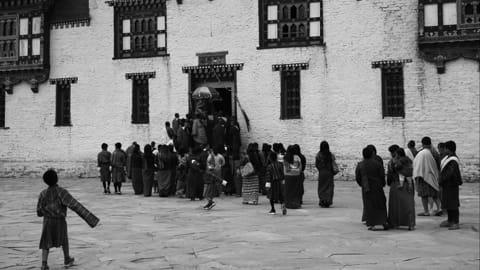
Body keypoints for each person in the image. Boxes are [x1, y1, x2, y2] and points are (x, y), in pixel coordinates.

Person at [37, 169, 99, 270]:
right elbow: (75, 205)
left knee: (45, 240)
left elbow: (39, 212)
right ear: (56, 179)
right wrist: (91, 219)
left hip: (47, 221)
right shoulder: (62, 192)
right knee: (63, 238)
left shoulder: (42, 194)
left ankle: (44, 263)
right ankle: (66, 258)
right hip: (59, 220)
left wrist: (46, 211)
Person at [355, 146, 388, 231]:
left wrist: (362, 185)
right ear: (372, 154)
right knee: (380, 203)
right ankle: (382, 221)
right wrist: (382, 184)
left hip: (366, 187)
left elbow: (358, 177)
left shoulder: (360, 164)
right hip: (377, 186)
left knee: (369, 205)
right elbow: (382, 175)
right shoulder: (377, 163)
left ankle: (371, 223)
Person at [387, 146, 415, 230]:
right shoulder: (408, 160)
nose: (392, 154)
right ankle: (409, 223)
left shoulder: (394, 161)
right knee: (404, 204)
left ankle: (396, 223)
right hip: (405, 183)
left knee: (400, 204)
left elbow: (392, 170)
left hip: (398, 183)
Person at [413, 137, 441, 216]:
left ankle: (426, 211)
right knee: (434, 193)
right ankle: (440, 208)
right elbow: (438, 163)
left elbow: (417, 164)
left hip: (422, 176)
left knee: (424, 195)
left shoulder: (422, 153)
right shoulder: (434, 152)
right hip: (433, 175)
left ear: (422, 144)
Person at [439, 141, 463, 230]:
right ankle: (450, 220)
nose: (443, 150)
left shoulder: (453, 160)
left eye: (445, 148)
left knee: (453, 204)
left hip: (451, 184)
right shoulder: (447, 157)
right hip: (446, 185)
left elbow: (449, 173)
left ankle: (456, 222)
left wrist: (441, 180)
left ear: (448, 149)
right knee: (448, 203)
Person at [316, 141, 336, 208]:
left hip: (322, 173)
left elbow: (317, 164)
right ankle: (328, 201)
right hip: (329, 173)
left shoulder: (319, 155)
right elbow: (333, 163)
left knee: (322, 187)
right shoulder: (331, 155)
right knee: (329, 187)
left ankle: (322, 200)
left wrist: (320, 169)